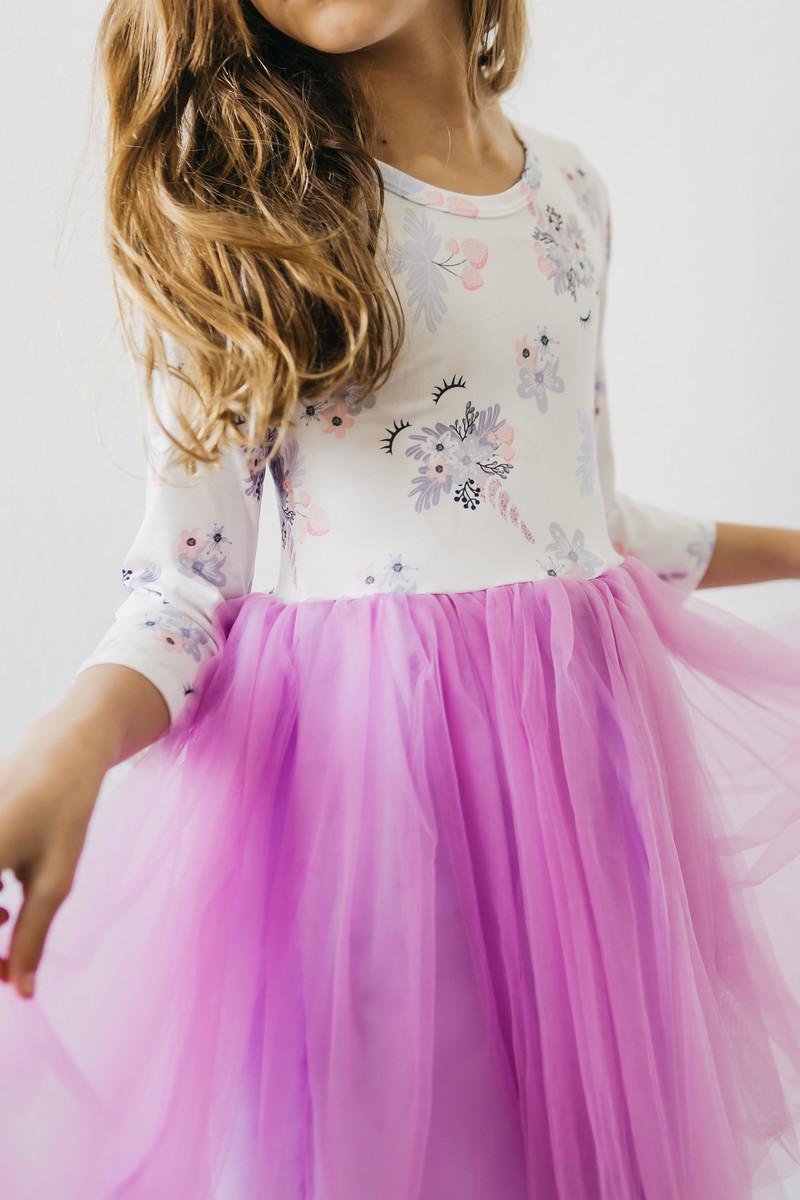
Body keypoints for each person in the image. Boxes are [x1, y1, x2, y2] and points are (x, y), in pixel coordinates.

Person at [2, 1, 800, 1196]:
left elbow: (589, 524)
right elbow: (183, 583)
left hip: (588, 788)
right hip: (379, 796)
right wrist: (65, 747)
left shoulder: (570, 192)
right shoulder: (248, 216)